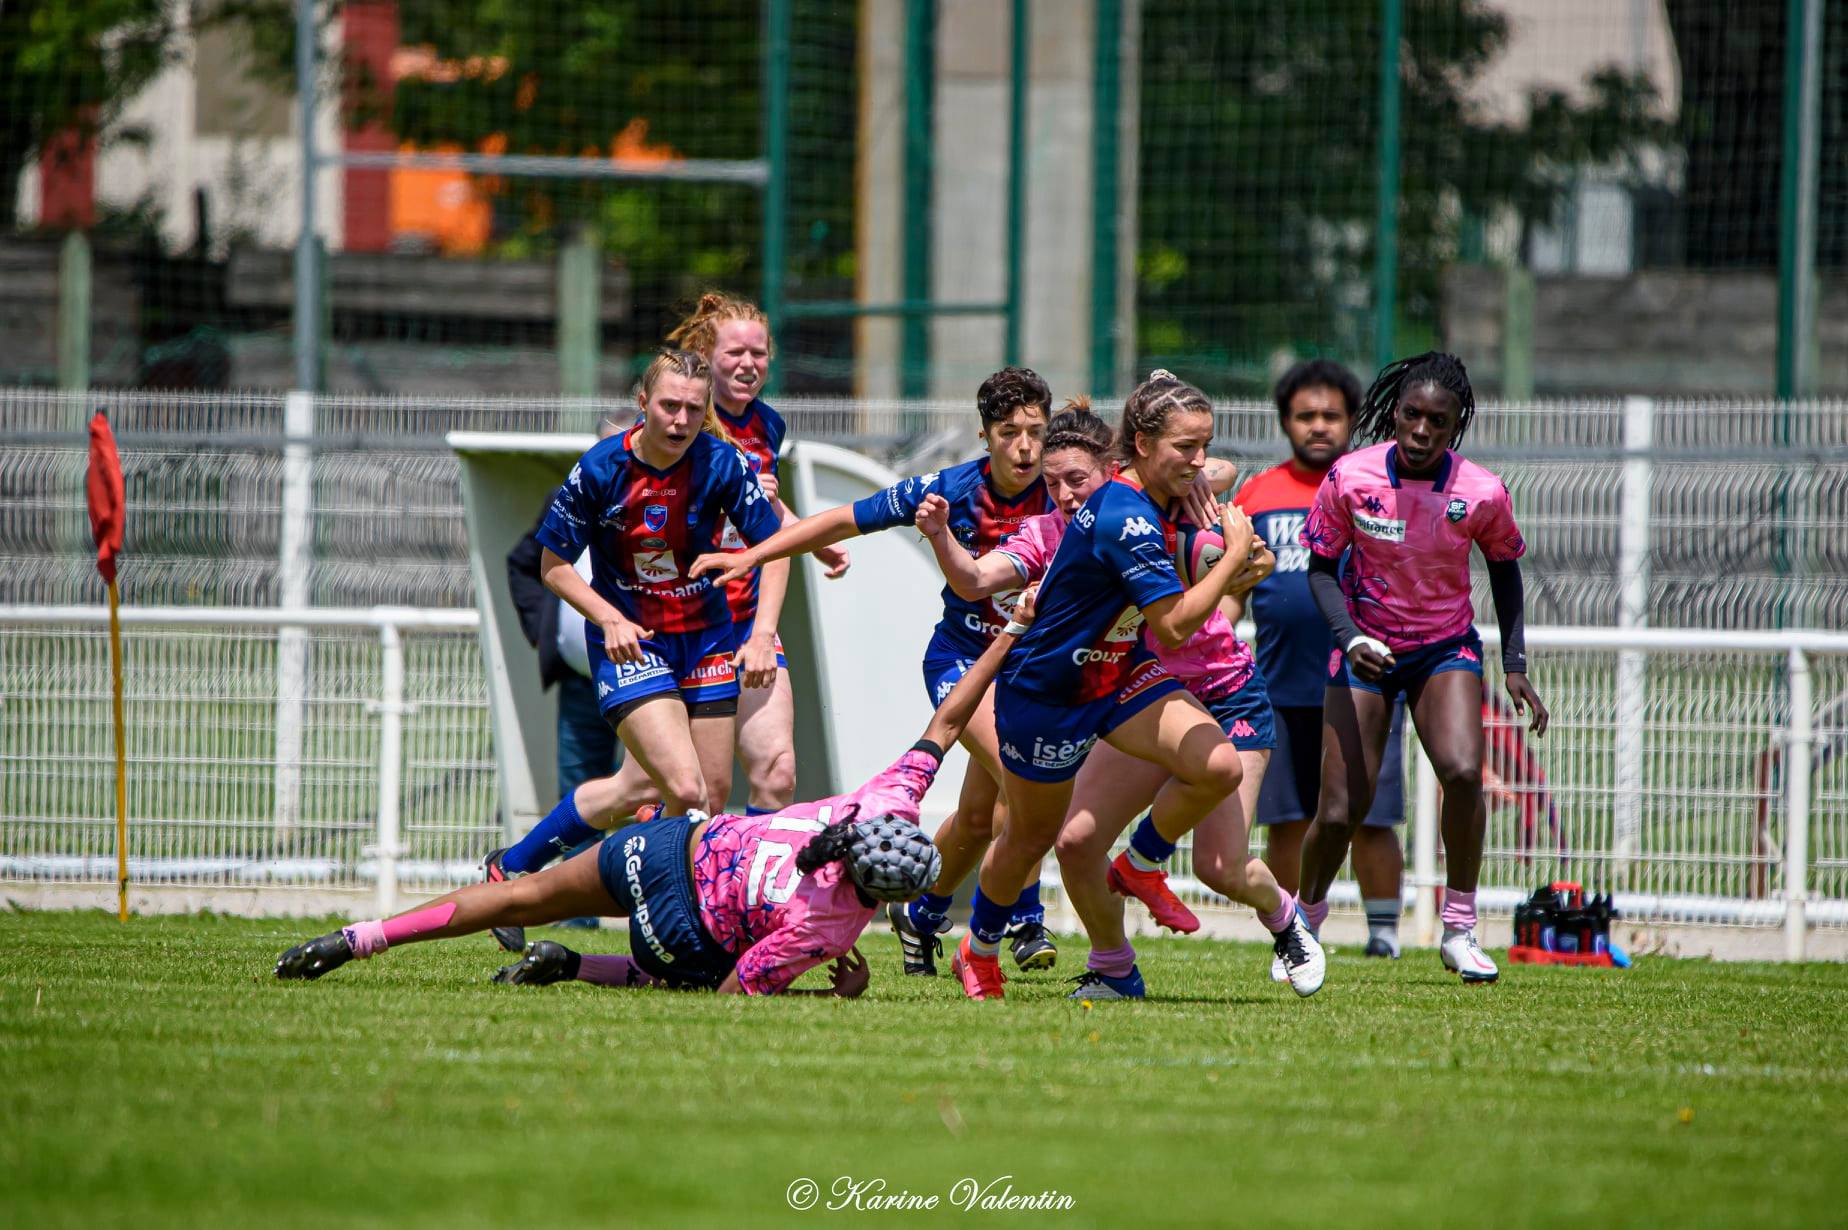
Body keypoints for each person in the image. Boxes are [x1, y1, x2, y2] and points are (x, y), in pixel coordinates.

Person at [273, 595, 1033, 997]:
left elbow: (948, 717)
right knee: (690, 973)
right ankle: (576, 967)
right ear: (876, 892)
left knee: (522, 895)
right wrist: (841, 994)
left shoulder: (880, 800)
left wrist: (1005, 636)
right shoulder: (830, 927)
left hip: (668, 845)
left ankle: (356, 939)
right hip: (679, 926)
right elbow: (741, 991)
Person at [924, 398, 1323, 999]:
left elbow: (1217, 479)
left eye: (1202, 445)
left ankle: (1141, 865)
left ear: (1111, 464)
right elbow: (1173, 627)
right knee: (1032, 837)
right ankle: (978, 950)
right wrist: (1235, 554)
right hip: (1053, 691)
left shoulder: (1156, 495)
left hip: (1123, 672)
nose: (1199, 459)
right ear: (1140, 446)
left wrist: (1218, 517)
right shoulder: (1123, 519)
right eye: (1185, 447)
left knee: (1215, 766)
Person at [693, 367, 1061, 974]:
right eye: (1009, 432)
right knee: (1024, 778)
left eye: (1035, 432)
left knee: (977, 817)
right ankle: (1021, 921)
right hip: (963, 663)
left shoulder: (1064, 495)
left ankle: (920, 913)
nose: (1025, 447)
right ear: (984, 434)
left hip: (1029, 669)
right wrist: (753, 552)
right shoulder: (947, 489)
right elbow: (842, 519)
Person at [477, 350, 786, 951]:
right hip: (633, 640)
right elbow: (553, 566)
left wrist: (762, 634)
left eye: (694, 410)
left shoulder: (723, 463)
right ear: (642, 404)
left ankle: (512, 865)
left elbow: (774, 548)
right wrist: (607, 615)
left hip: (707, 639)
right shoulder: (598, 468)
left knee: (670, 793)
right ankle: (663, 921)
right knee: (687, 791)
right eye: (669, 405)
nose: (680, 420)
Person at [1294, 351, 1548, 985]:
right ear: (1395, 412)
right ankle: (1304, 925)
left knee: (1464, 771)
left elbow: (1504, 569)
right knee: (1338, 811)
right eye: (1412, 415)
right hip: (1365, 648)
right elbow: (1321, 570)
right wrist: (1350, 637)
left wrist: (1514, 662)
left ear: (1455, 424)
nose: (1422, 431)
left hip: (1444, 649)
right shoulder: (1349, 477)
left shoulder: (1481, 491)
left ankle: (1459, 929)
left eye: (1439, 420)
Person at [1231, 359, 1411, 966]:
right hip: (1278, 688)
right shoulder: (1257, 494)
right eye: (1305, 415)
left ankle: (1384, 933)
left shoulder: (1373, 486)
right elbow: (1233, 585)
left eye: (1331, 415)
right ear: (1286, 421)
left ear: (1352, 421)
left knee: (1368, 816)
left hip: (1364, 684)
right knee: (1288, 818)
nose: (1318, 426)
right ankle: (1292, 931)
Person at [666, 292, 851, 818]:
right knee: (702, 795)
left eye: (760, 353)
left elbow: (761, 505)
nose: (749, 365)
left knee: (777, 773)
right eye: (735, 353)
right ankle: (652, 881)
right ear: (706, 352)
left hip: (748, 618)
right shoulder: (686, 420)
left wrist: (811, 539)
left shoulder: (768, 423)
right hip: (688, 621)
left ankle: (747, 894)